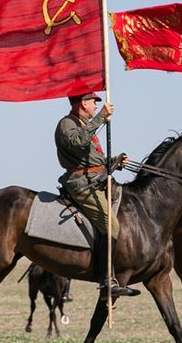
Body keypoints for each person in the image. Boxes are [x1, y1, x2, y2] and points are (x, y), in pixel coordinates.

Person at [56, 91, 137, 298]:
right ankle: (107, 281)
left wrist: (115, 161)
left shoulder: (85, 124)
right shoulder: (67, 124)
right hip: (82, 185)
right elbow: (77, 143)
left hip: (97, 180)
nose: (95, 106)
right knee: (112, 225)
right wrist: (101, 117)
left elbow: (94, 162)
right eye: (93, 102)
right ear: (83, 103)